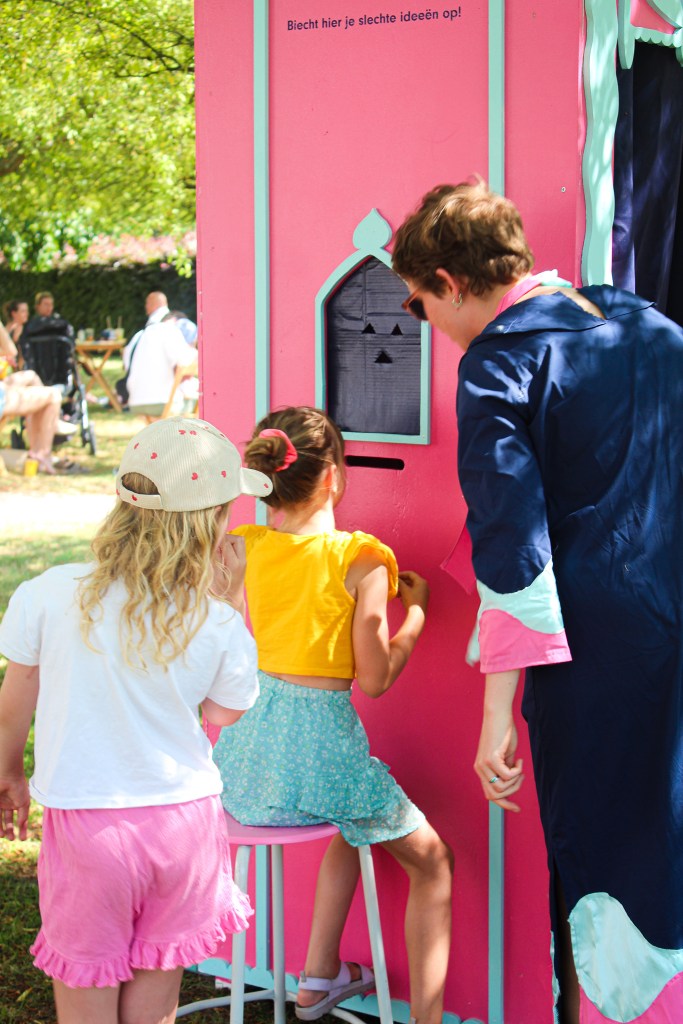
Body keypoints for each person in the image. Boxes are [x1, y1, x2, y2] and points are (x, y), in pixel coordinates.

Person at [392, 179, 683, 1024]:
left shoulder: (498, 364)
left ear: (448, 282)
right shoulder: (649, 327)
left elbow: (512, 544)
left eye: (416, 304)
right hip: (668, 615)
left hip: (595, 650)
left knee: (602, 844)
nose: (424, 323)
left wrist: (497, 715)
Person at [0, 416, 273, 1024]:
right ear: (212, 521)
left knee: (87, 991)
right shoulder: (214, 618)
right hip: (184, 826)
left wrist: (9, 773)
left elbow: (15, 700)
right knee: (155, 1002)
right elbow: (223, 712)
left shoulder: (49, 593)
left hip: (89, 829)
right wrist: (232, 601)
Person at [213, 406, 453, 1024]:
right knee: (434, 864)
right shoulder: (362, 559)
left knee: (355, 818)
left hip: (243, 765)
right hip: (321, 761)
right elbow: (375, 680)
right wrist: (417, 613)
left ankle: (318, 975)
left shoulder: (243, 547)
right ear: (333, 477)